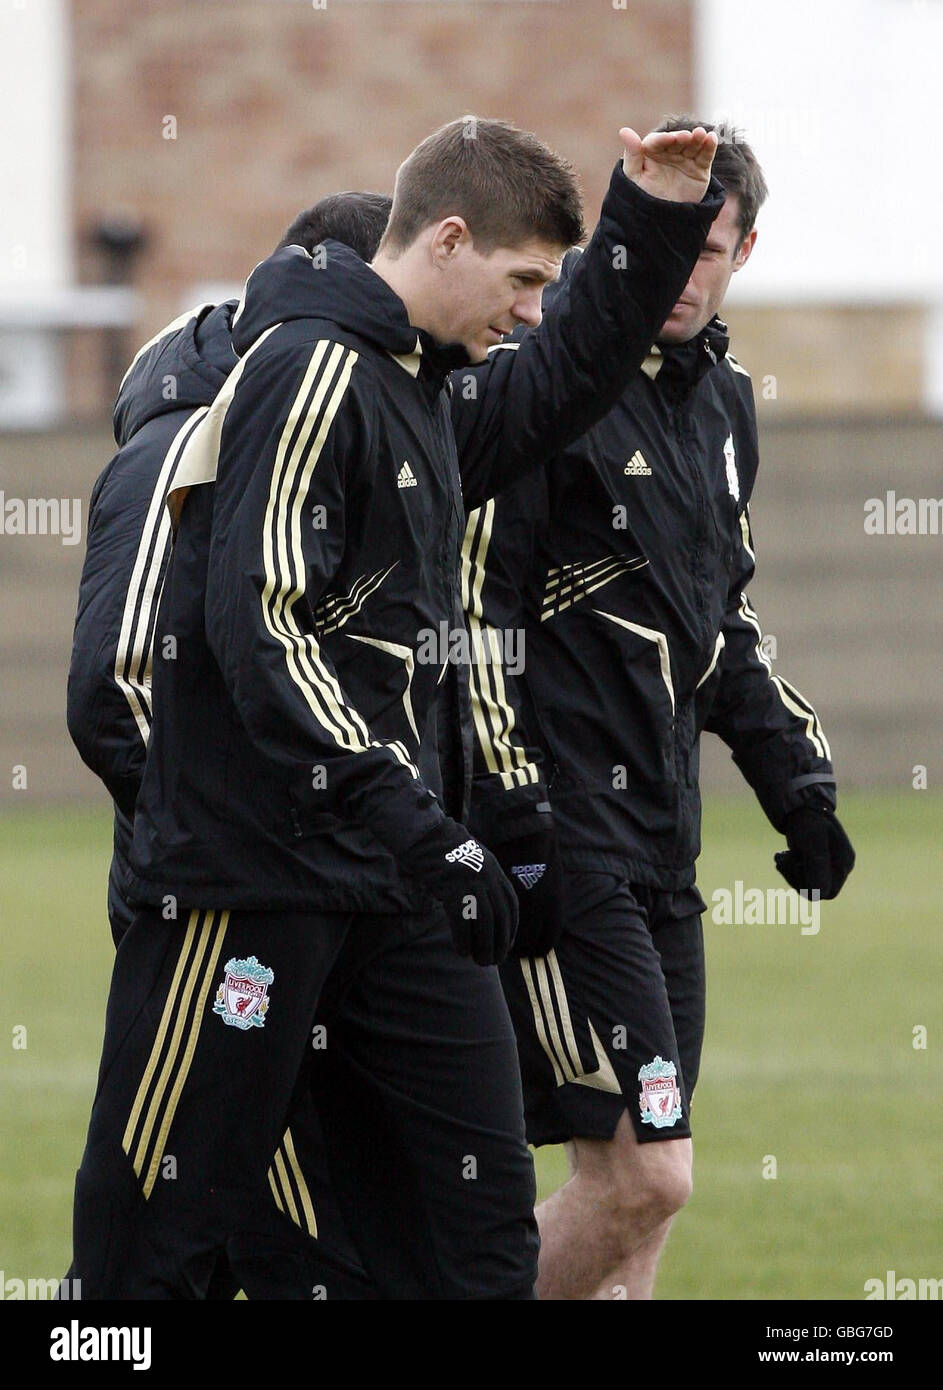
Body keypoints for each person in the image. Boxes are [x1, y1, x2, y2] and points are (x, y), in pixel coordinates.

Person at [70, 116, 722, 1300]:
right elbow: (260, 629)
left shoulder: (428, 393)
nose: (531, 309)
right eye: (522, 279)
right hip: (250, 887)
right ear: (451, 240)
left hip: (399, 889)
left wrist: (652, 212)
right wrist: (421, 824)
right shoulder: (307, 370)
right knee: (147, 1257)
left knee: (473, 1243)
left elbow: (569, 373)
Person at [464, 117, 855, 1300]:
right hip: (565, 840)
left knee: (640, 1197)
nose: (687, 275)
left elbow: (720, 620)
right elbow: (472, 615)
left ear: (744, 250)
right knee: (646, 1175)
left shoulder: (724, 401)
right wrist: (515, 817)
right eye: (672, 247)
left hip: (666, 844)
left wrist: (798, 779)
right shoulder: (550, 380)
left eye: (713, 250)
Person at [66, 192, 392, 1299]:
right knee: (158, 1234)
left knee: (301, 1234)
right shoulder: (186, 440)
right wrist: (228, 833)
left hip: (319, 894)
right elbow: (113, 687)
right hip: (220, 898)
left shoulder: (328, 424)